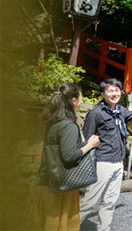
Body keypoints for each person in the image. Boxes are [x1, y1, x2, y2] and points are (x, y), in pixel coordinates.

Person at [80, 78, 132, 231]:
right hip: (102, 162)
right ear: (103, 94)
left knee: (110, 200)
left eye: (117, 90)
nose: (115, 93)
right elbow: (87, 138)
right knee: (90, 201)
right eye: (110, 91)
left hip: (118, 161)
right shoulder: (96, 114)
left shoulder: (120, 111)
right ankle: (69, 226)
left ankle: (103, 228)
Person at [25, 83, 100, 231]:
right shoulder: (68, 125)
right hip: (60, 188)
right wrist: (90, 145)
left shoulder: (54, 122)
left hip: (46, 182)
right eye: (80, 96)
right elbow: (69, 156)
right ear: (73, 101)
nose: (82, 99)